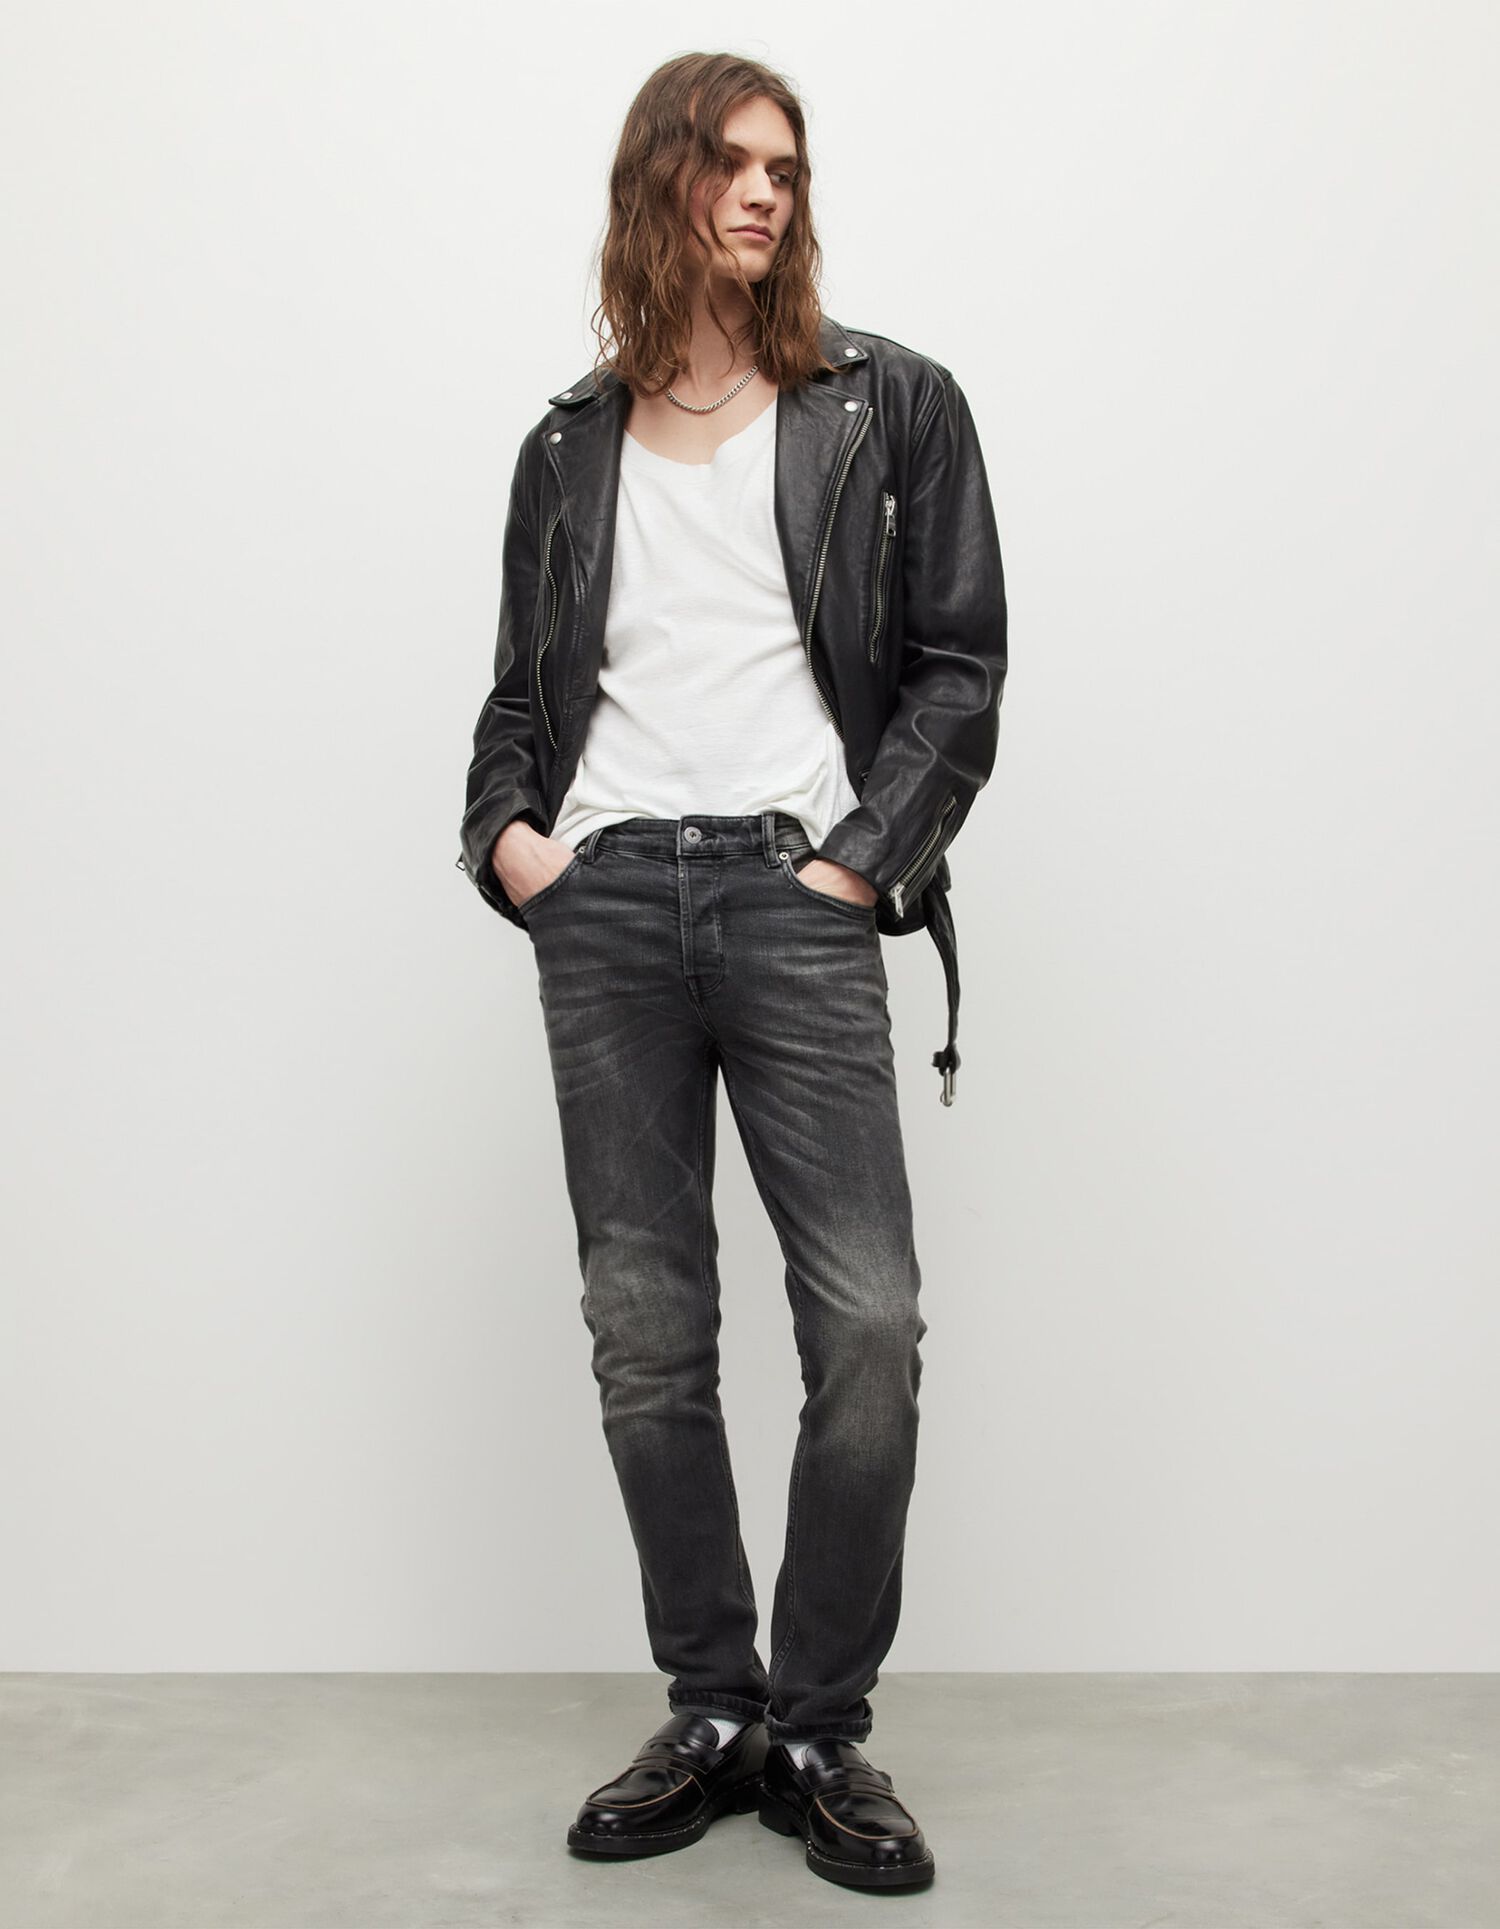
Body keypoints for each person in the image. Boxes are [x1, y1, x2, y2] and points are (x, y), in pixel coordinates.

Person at [457, 51, 1007, 1894]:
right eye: (735, 162)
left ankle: (821, 1726)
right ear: (662, 182)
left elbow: (959, 671)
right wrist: (512, 839)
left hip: (796, 893)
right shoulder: (566, 444)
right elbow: (522, 693)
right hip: (606, 904)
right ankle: (712, 1705)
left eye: (789, 166)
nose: (769, 191)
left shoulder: (890, 406)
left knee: (866, 1325)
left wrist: (861, 858)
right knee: (647, 1333)